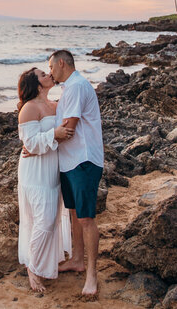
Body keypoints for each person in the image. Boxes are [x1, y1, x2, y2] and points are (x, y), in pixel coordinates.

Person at [48, 49, 104, 297]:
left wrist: (41, 143)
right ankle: (77, 259)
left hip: (83, 160)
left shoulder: (76, 87)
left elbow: (68, 129)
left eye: (51, 67)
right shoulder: (68, 89)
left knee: (86, 218)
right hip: (70, 161)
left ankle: (91, 274)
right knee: (74, 213)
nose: (50, 72)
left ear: (61, 63)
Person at [16, 67, 74, 293]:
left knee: (49, 218)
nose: (49, 75)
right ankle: (33, 267)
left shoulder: (54, 105)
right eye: (43, 74)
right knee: (45, 220)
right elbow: (30, 144)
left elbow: (68, 129)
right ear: (37, 84)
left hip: (52, 168)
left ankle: (40, 261)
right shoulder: (29, 108)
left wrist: (55, 138)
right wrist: (53, 136)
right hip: (35, 171)